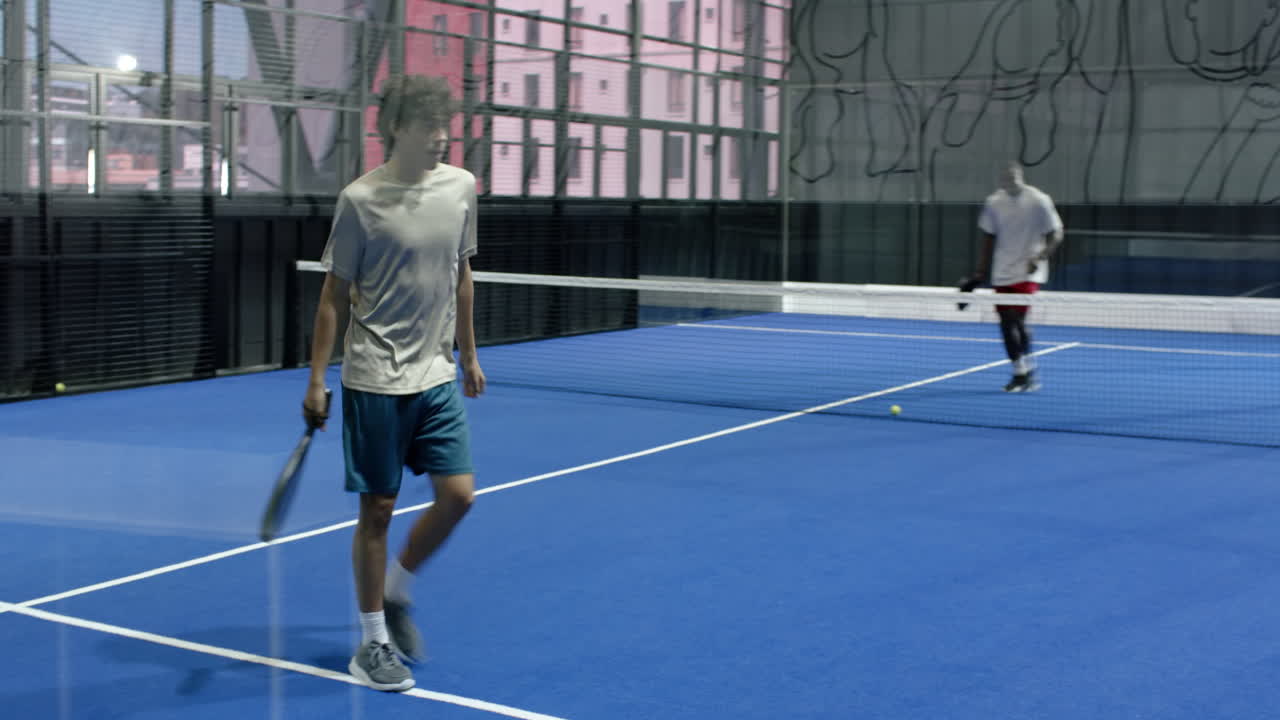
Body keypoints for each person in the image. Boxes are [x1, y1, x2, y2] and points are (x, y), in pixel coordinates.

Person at [302, 74, 485, 692]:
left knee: (459, 495)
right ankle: (372, 642)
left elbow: (462, 274)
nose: (441, 137)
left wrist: (470, 354)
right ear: (398, 129)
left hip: (436, 375)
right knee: (377, 511)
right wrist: (317, 380)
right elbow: (334, 295)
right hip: (375, 376)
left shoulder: (461, 187)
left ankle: (397, 589)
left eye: (445, 126)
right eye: (430, 126)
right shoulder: (361, 199)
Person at [973, 162, 1064, 392]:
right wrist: (980, 272)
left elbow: (1056, 233)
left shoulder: (1039, 200)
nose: (1010, 181)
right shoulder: (994, 202)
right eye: (1006, 178)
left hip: (1028, 271)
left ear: (1021, 176)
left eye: (1014, 177)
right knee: (1006, 324)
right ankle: (1020, 371)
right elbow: (988, 237)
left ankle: (1027, 371)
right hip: (1002, 272)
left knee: (1016, 319)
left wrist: (1040, 256)